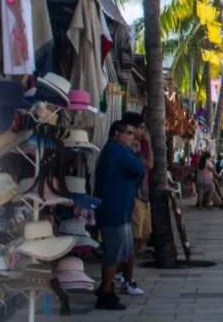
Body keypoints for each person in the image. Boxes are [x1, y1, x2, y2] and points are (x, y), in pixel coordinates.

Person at [94, 121, 146, 310]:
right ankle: (106, 293)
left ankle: (105, 287)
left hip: (117, 209)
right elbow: (140, 169)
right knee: (113, 254)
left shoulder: (112, 150)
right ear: (117, 133)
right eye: (129, 133)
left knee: (118, 251)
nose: (133, 137)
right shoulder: (117, 150)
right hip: (115, 210)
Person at [121, 112, 153, 259]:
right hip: (135, 194)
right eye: (141, 127)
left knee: (143, 234)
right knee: (135, 234)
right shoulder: (129, 148)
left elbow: (150, 165)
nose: (143, 131)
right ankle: (126, 263)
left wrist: (149, 144)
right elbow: (146, 165)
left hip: (143, 193)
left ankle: (129, 260)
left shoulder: (142, 145)